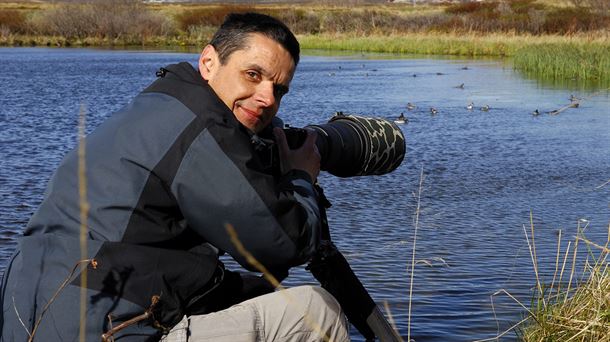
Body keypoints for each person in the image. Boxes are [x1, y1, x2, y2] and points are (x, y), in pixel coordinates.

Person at [0, 13, 349, 342]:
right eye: (253, 75)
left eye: (280, 89)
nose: (267, 98)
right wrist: (301, 176)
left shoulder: (160, 105)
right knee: (316, 311)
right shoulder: (202, 129)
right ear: (209, 62)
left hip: (31, 312)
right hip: (101, 323)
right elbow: (281, 245)